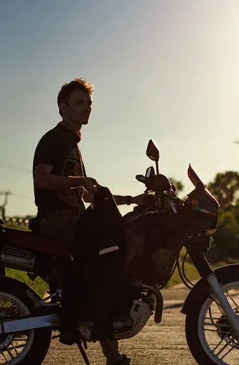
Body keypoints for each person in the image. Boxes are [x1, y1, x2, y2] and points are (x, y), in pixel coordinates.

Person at [32, 78, 143, 365]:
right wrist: (81, 179)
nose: (87, 108)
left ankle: (109, 343)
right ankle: (95, 313)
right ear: (63, 107)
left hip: (72, 218)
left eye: (89, 103)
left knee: (124, 238)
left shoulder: (72, 143)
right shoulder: (55, 139)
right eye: (80, 103)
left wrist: (133, 199)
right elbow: (42, 178)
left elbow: (89, 193)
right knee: (124, 244)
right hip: (58, 221)